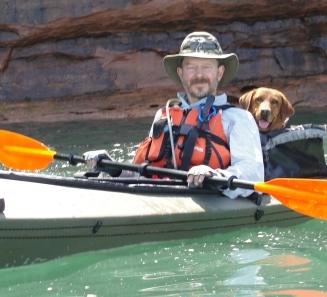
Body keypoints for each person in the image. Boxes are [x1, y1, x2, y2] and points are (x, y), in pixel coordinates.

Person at [84, 31, 264, 199]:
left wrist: (213, 175)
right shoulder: (164, 116)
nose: (199, 75)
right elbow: (141, 174)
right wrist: (112, 167)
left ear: (220, 72)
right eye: (191, 67)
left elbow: (253, 174)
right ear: (181, 73)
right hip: (158, 199)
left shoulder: (237, 118)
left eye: (206, 67)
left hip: (208, 201)